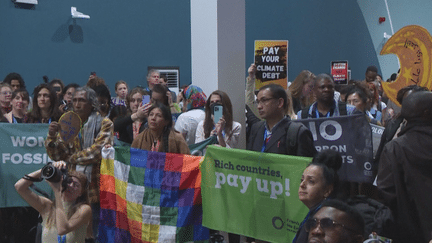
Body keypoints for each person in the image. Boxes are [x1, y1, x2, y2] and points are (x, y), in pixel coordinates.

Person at [45, 86, 114, 241]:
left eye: (81, 100)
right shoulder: (68, 123)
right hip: (72, 190)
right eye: (74, 100)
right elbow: (58, 155)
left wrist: (71, 158)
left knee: (94, 235)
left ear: (92, 103)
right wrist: (51, 137)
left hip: (95, 190)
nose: (77, 104)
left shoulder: (104, 123)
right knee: (73, 235)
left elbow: (96, 152)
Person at [376, 91, 432, 243]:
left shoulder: (394, 148)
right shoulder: (395, 148)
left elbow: (386, 191)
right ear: (426, 113)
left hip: (408, 231)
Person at [14, 161, 92, 243]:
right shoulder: (48, 206)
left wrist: (57, 192)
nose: (70, 186)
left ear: (81, 193)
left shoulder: (84, 209)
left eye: (76, 185)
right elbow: (19, 186)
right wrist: (46, 170)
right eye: (68, 181)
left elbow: (62, 229)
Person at [248, 83, 316, 156]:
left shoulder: (297, 131)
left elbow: (305, 164)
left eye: (264, 100)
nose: (259, 106)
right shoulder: (256, 128)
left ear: (280, 103)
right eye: (258, 102)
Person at [293, 150, 342, 243]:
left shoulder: (326, 222)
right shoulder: (316, 212)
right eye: (302, 179)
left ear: (327, 190)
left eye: (311, 181)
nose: (302, 185)